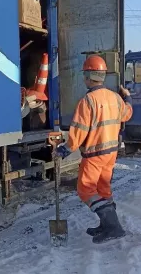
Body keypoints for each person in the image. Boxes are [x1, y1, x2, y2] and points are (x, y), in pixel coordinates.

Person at [53, 54, 133, 244]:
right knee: (103, 189)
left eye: (85, 75)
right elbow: (127, 114)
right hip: (111, 153)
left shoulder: (87, 101)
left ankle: (113, 227)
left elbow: (78, 132)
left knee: (86, 190)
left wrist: (64, 150)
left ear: (88, 76)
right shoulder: (115, 98)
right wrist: (128, 98)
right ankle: (107, 225)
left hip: (94, 155)